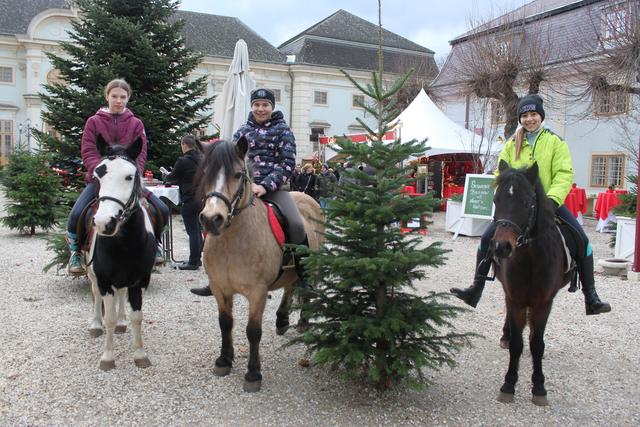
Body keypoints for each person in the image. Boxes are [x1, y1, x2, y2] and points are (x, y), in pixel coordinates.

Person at [450, 94, 611, 315]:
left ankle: (591, 297)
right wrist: (506, 197)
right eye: (524, 115)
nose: (529, 119)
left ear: (541, 116)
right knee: (487, 238)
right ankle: (476, 288)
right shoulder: (511, 144)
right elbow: (501, 173)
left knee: (583, 240)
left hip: (549, 203)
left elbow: (564, 174)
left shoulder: (555, 142)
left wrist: (552, 202)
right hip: (517, 207)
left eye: (533, 114)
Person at [191, 88, 303, 297]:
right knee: (214, 216)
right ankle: (214, 276)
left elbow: (287, 164)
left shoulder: (283, 131)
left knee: (295, 223)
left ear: (272, 107)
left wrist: (265, 185)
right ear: (252, 107)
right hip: (241, 188)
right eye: (257, 105)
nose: (261, 109)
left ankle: (302, 273)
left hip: (273, 189)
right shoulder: (242, 131)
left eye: (265, 105)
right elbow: (228, 162)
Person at [67, 78, 169, 276]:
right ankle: (76, 253)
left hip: (127, 181)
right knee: (77, 214)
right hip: (101, 181)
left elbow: (141, 153)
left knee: (162, 209)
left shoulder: (136, 124)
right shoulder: (94, 122)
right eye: (114, 96)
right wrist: (101, 172)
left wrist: (132, 173)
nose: (119, 100)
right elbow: (88, 150)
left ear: (128, 98)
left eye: (123, 97)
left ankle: (155, 243)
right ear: (107, 96)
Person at [164, 134, 204, 271]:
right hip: (202, 199)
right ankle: (197, 259)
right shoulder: (202, 159)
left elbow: (171, 178)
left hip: (189, 199)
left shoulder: (183, 161)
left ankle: (193, 262)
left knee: (192, 231)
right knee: (197, 230)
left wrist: (165, 175)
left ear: (184, 145)